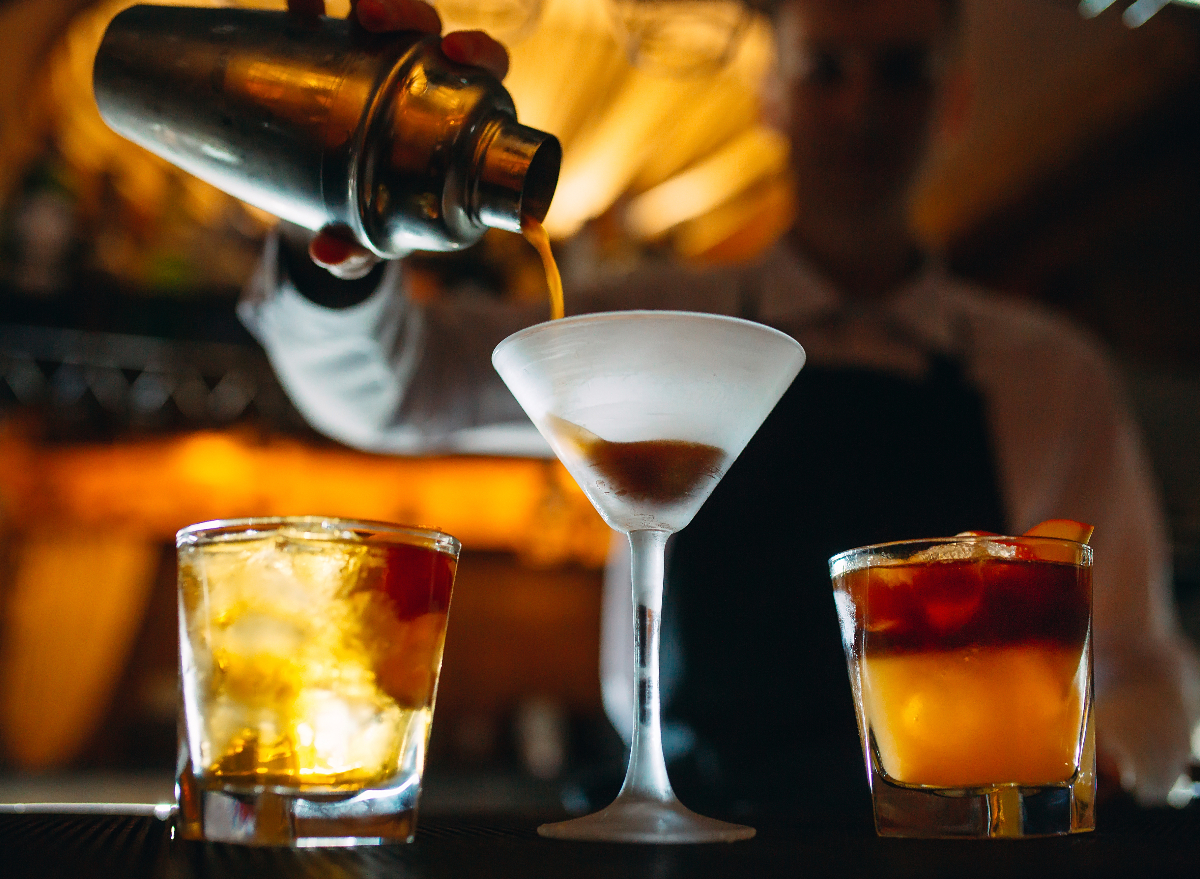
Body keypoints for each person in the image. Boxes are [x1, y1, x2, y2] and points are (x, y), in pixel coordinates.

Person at [243, 0, 1200, 812]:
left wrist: (1101, 767)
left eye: (901, 72)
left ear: (952, 100)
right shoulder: (654, 322)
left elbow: (1139, 673)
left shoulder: (1049, 372)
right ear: (771, 95)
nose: (861, 110)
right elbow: (395, 386)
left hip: (937, 843)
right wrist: (343, 225)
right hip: (687, 831)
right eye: (826, 69)